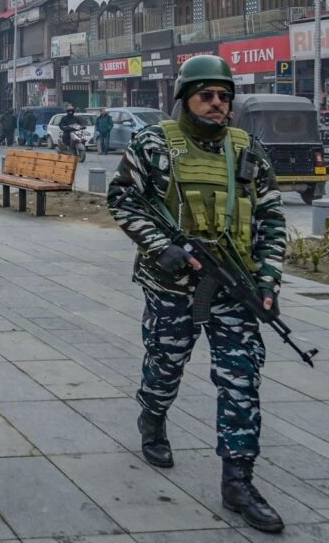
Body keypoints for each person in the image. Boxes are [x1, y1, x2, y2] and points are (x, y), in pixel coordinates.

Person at [107, 55, 287, 534]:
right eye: (206, 95)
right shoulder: (154, 145)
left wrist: (268, 279)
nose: (217, 104)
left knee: (242, 379)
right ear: (185, 97)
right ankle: (153, 416)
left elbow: (271, 218)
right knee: (165, 366)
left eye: (224, 96)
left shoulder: (248, 149)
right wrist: (161, 246)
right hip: (171, 288)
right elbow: (122, 198)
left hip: (235, 287)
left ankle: (238, 481)